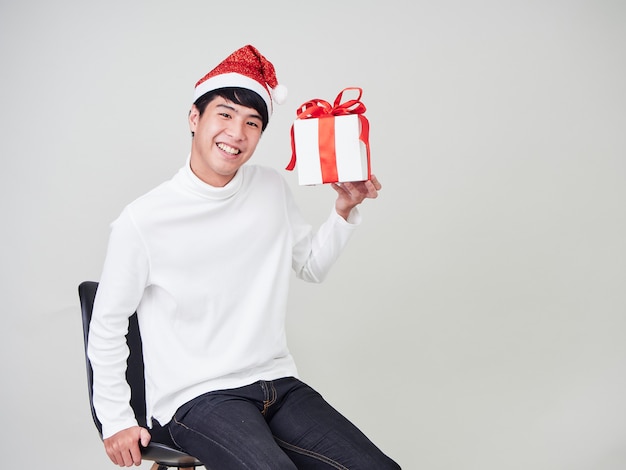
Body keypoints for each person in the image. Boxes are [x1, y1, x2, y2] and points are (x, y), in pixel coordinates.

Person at [88, 44, 400, 469]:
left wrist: (343, 210)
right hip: (198, 398)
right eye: (225, 114)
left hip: (277, 384)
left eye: (252, 122)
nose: (236, 133)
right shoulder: (143, 220)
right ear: (195, 118)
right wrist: (115, 420)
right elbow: (107, 324)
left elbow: (310, 266)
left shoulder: (270, 188)